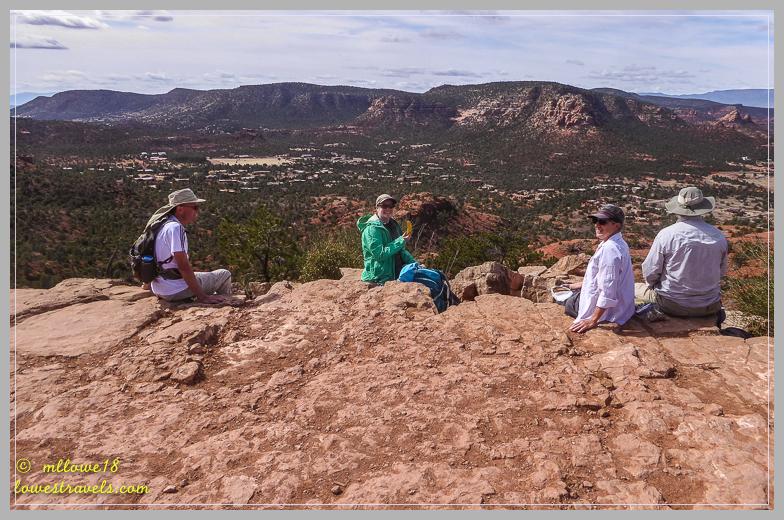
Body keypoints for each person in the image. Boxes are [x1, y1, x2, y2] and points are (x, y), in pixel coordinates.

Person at [639, 187, 728, 317]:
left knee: (634, 290)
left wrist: (654, 285)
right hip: (709, 305)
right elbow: (720, 272)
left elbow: (650, 272)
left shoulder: (667, 234)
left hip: (672, 304)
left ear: (678, 209)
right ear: (702, 208)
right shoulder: (719, 236)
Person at [147, 188, 232, 304]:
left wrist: (147, 284)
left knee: (202, 275)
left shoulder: (161, 225)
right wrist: (203, 297)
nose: (198, 210)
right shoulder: (176, 228)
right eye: (194, 207)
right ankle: (226, 304)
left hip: (160, 287)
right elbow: (183, 266)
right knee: (224, 274)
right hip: (175, 290)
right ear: (180, 209)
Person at [565, 205, 635, 333]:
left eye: (602, 222)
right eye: (595, 221)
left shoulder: (610, 249)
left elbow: (608, 290)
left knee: (567, 301)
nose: (597, 225)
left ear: (616, 226)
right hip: (623, 309)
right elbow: (606, 278)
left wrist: (593, 319)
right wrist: (576, 285)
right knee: (570, 292)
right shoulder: (619, 243)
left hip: (610, 313)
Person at [356, 194, 415, 283]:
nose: (388, 209)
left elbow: (401, 250)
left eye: (391, 206)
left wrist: (414, 264)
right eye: (384, 206)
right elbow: (379, 254)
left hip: (397, 273)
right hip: (380, 278)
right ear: (377, 208)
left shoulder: (392, 224)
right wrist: (401, 241)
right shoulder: (372, 229)